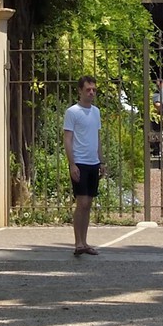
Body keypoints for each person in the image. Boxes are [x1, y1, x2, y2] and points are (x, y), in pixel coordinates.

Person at [62, 74, 102, 257]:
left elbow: (97, 137)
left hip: (93, 162)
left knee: (88, 204)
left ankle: (84, 242)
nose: (91, 93)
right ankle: (77, 242)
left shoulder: (96, 112)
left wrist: (101, 160)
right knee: (82, 202)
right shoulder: (72, 112)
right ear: (80, 91)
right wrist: (72, 164)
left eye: (94, 89)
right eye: (88, 89)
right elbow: (68, 139)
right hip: (80, 162)